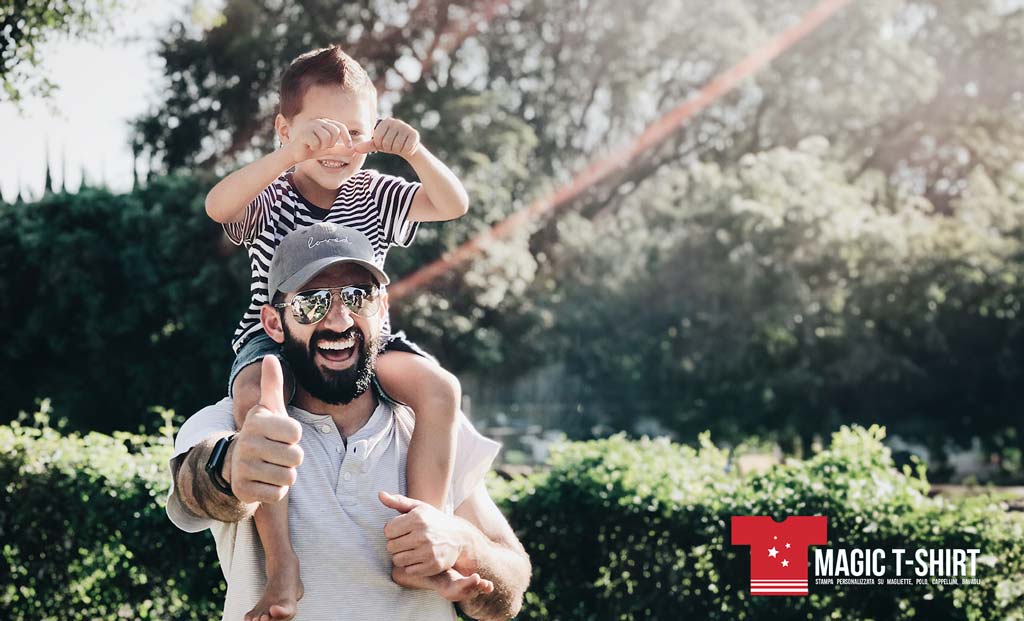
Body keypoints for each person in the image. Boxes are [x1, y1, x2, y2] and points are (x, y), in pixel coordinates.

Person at [203, 45, 470, 620]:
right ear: (285, 129)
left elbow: (453, 204)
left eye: (354, 131)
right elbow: (218, 207)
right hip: (277, 338)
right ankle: (282, 565)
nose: (337, 145)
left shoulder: (377, 192)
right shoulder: (271, 195)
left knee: (440, 388)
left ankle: (420, 536)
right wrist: (286, 156)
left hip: (367, 340)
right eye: (319, 130)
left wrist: (415, 152)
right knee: (256, 400)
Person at [166, 224, 531, 621]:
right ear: (273, 324)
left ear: (383, 309)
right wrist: (229, 467)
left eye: (358, 297)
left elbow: (510, 592)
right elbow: (194, 486)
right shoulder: (237, 423)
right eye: (311, 302)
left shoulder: (429, 425)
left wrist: (463, 543)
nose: (339, 321)